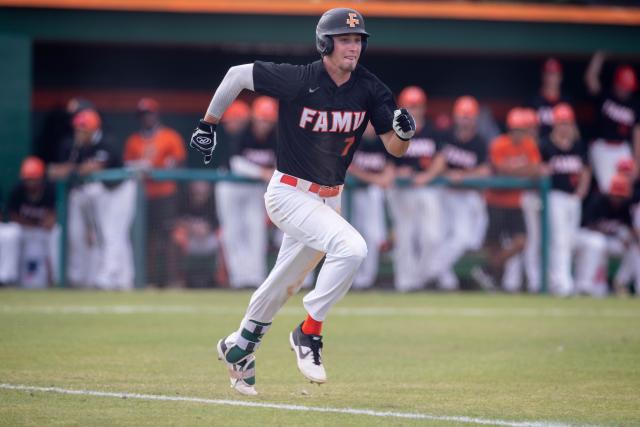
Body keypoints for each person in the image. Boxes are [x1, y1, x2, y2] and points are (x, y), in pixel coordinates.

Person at [188, 7, 415, 395]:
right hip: (289, 192)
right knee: (353, 248)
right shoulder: (299, 79)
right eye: (345, 39)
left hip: (330, 198)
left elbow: (394, 149)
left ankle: (239, 346)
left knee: (285, 282)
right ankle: (309, 332)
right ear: (325, 43)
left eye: (358, 40)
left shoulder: (370, 87)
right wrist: (208, 123)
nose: (353, 47)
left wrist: (403, 134)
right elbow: (236, 75)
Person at [49, 109, 134, 289]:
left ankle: (110, 276)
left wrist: (70, 169)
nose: (78, 133)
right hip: (104, 192)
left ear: (93, 129)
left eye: (82, 129)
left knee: (113, 232)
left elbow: (92, 168)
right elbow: (58, 171)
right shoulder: (77, 147)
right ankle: (124, 278)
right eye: (77, 129)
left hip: (122, 189)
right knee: (108, 234)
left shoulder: (106, 141)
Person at [422, 96, 491, 290]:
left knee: (464, 239)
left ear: (475, 119)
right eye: (462, 116)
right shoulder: (446, 136)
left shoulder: (479, 141)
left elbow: (485, 170)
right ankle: (445, 280)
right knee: (439, 236)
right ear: (456, 117)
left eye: (469, 117)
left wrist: (463, 174)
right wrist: (443, 172)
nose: (465, 121)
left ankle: (431, 272)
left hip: (467, 196)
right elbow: (436, 161)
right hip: (445, 193)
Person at [215, 96, 277, 289]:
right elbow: (236, 163)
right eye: (261, 119)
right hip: (230, 185)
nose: (264, 124)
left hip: (254, 188)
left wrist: (269, 173)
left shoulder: (276, 136)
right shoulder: (243, 132)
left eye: (268, 120)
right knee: (233, 231)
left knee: (256, 230)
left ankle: (255, 278)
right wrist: (263, 172)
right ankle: (238, 278)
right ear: (254, 117)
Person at [124, 98, 186, 287]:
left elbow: (178, 162)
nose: (147, 118)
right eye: (143, 115)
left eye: (149, 113)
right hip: (143, 196)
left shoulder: (169, 136)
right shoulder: (133, 141)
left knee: (169, 237)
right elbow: (127, 165)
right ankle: (148, 281)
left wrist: (155, 166)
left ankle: (172, 280)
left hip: (166, 193)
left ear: (156, 114)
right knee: (146, 239)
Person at [387, 86, 442, 291]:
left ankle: (421, 277)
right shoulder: (394, 129)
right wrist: (397, 171)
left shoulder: (433, 131)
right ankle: (404, 283)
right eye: (411, 106)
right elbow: (387, 160)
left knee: (432, 236)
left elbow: (441, 158)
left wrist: (427, 176)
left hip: (427, 188)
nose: (415, 110)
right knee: (404, 236)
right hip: (402, 190)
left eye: (418, 106)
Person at [485, 108, 542, 291]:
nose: (519, 134)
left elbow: (535, 170)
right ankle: (495, 278)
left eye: (522, 130)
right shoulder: (499, 144)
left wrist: (518, 170)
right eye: (516, 130)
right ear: (510, 129)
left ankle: (490, 267)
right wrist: (522, 171)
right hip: (495, 199)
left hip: (515, 201)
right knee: (492, 243)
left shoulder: (529, 145)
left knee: (521, 242)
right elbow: (501, 169)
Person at [540, 104, 593, 296]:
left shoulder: (578, 145)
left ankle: (568, 281)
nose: (565, 127)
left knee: (570, 240)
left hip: (573, 198)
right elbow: (540, 169)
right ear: (555, 124)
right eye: (561, 123)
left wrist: (582, 190)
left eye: (568, 123)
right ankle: (562, 284)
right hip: (554, 196)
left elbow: (586, 169)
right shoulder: (546, 144)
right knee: (559, 240)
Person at [584, 52, 640, 193]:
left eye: (628, 87)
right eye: (623, 86)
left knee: (627, 186)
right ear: (616, 83)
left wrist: (637, 160)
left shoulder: (634, 104)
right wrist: (599, 57)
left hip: (622, 147)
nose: (625, 90)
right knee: (608, 187)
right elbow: (590, 79)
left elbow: (637, 132)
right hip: (601, 146)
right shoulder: (606, 97)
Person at [347, 122, 393, 289]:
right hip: (351, 196)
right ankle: (351, 278)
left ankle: (366, 279)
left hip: (375, 196)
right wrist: (375, 179)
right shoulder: (353, 138)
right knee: (352, 236)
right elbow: (349, 167)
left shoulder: (383, 142)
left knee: (372, 237)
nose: (370, 128)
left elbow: (390, 171)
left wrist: (380, 180)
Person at [582, 173, 640, 296]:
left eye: (621, 196)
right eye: (616, 195)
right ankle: (586, 286)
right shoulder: (598, 201)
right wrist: (609, 232)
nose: (618, 199)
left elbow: (630, 228)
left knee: (634, 248)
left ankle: (620, 282)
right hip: (590, 238)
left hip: (612, 241)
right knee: (597, 243)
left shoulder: (624, 205)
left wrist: (630, 239)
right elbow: (587, 224)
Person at [172, 180, 220, 288]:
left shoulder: (214, 200)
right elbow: (175, 220)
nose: (199, 187)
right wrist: (190, 226)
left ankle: (222, 279)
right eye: (197, 184)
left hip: (209, 240)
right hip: (189, 240)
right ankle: (178, 280)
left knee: (225, 237)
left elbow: (218, 223)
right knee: (176, 236)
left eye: (203, 184)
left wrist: (206, 228)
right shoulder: (184, 199)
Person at [530, 58, 572, 140]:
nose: (550, 78)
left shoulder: (566, 101)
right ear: (543, 76)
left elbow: (573, 129)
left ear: (560, 77)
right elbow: (529, 130)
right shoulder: (533, 101)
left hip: (560, 146)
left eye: (554, 74)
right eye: (548, 74)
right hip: (539, 144)